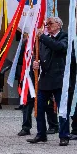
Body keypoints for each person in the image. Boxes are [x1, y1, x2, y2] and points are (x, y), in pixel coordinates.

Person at [27, 17, 70, 146]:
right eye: (46, 24)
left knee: (62, 109)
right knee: (39, 107)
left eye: (50, 23)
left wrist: (43, 37)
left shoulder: (64, 36)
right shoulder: (44, 40)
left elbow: (58, 47)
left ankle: (64, 135)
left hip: (58, 79)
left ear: (58, 25)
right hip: (45, 79)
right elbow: (40, 55)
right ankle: (41, 134)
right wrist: (36, 63)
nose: (47, 26)